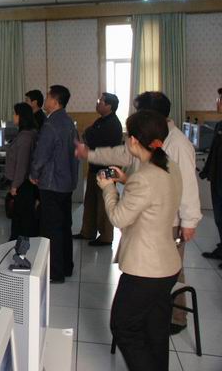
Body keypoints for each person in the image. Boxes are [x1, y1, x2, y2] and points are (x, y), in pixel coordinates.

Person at [76, 91, 201, 334]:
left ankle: (176, 318)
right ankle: (153, 316)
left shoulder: (178, 144)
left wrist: (189, 220)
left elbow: (187, 185)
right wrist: (90, 154)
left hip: (169, 219)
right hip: (143, 215)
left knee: (169, 271)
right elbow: (119, 154)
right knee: (154, 273)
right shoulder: (144, 139)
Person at [97, 110, 182, 371]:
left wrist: (109, 188)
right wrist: (126, 180)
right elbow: (153, 194)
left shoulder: (145, 177)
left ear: (133, 140)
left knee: (123, 327)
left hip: (145, 269)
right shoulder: (169, 166)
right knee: (155, 328)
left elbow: (118, 217)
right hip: (168, 265)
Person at [30, 85, 79, 283]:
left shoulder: (50, 124)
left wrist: (34, 174)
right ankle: (66, 266)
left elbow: (41, 154)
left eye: (48, 97)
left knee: (51, 229)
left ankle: (55, 272)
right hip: (66, 183)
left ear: (55, 101)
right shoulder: (69, 122)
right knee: (64, 225)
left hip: (52, 183)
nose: (46, 100)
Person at [73, 92, 123, 246]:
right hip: (95, 167)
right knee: (90, 201)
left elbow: (92, 139)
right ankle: (87, 231)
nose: (98, 103)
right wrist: (89, 136)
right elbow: (88, 135)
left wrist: (89, 135)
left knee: (104, 202)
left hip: (107, 169)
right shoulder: (100, 121)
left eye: (101, 101)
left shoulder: (113, 123)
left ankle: (106, 237)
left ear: (109, 106)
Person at [6, 102, 39, 240]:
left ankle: (20, 245)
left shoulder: (25, 137)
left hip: (23, 184)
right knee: (23, 217)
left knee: (22, 219)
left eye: (15, 114)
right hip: (25, 183)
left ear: (21, 117)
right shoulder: (28, 133)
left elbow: (22, 164)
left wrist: (15, 185)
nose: (13, 117)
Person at [200, 87, 222, 265]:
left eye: (220, 100)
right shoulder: (220, 125)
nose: (218, 103)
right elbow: (214, 152)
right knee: (219, 217)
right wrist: (206, 170)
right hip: (217, 178)